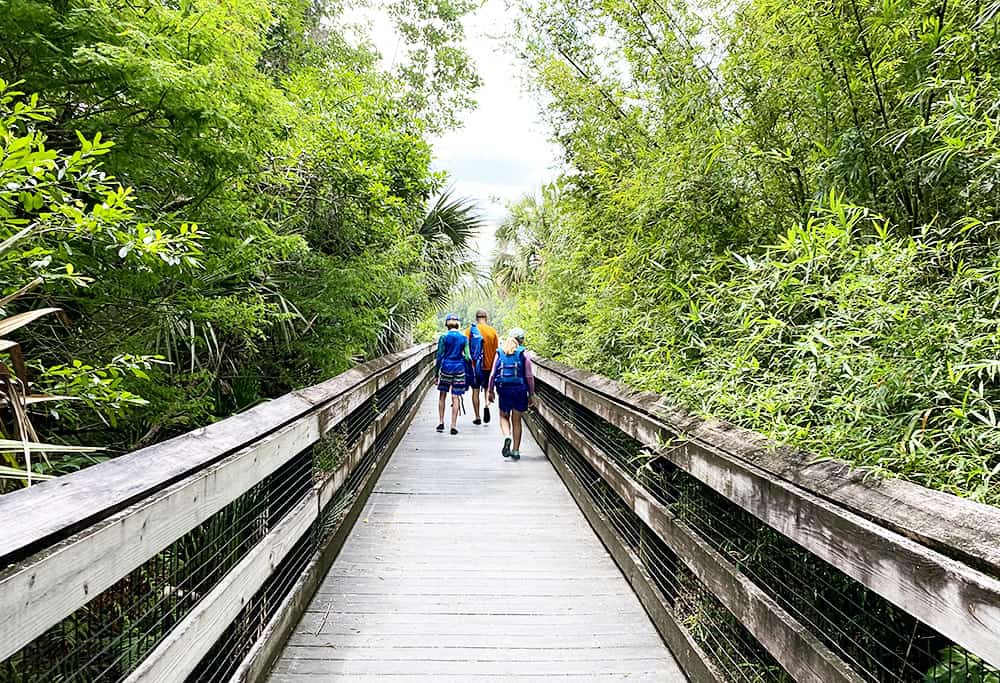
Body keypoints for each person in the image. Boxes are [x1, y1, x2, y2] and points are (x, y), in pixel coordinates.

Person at [487, 327, 535, 461]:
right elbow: (529, 376)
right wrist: (531, 394)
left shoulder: (500, 353)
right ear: (522, 340)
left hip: (504, 389)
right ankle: (515, 450)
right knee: (517, 420)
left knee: (503, 416)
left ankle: (507, 436)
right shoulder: (523, 354)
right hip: (519, 389)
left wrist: (490, 391)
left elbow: (492, 375)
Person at [435, 313, 471, 434]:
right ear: (458, 324)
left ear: (446, 324)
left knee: (442, 395)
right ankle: (453, 425)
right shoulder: (463, 338)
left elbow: (439, 356)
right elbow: (468, 357)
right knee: (455, 397)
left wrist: (436, 374)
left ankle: (441, 422)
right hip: (459, 369)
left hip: (446, 368)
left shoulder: (443, 337)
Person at [464, 309, 499, 426]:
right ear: (486, 318)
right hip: (488, 366)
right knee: (487, 389)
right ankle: (486, 406)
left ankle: (477, 416)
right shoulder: (492, 332)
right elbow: (496, 352)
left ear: (476, 318)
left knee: (475, 391)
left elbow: (465, 349)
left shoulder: (470, 331)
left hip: (474, 366)